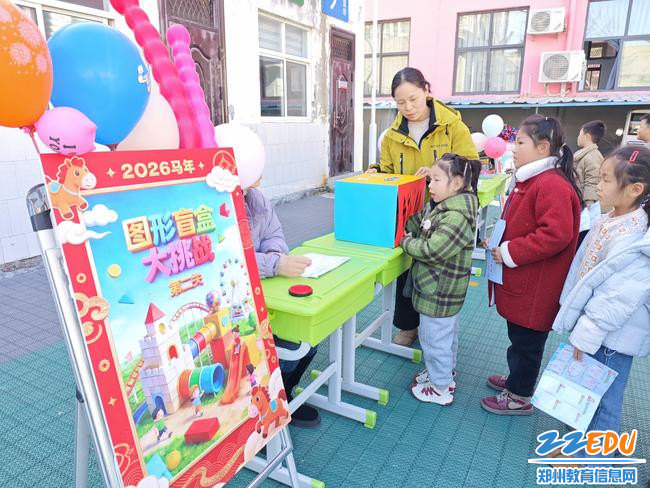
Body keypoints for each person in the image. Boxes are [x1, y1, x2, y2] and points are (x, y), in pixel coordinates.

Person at [368, 67, 479, 347]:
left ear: (426, 91)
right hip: (409, 210)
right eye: (400, 102)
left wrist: (436, 173)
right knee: (406, 268)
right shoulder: (392, 135)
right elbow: (388, 171)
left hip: (443, 209)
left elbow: (472, 166)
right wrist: (375, 173)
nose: (408, 107)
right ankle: (408, 326)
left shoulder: (452, 126)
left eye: (413, 99)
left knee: (435, 268)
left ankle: (436, 327)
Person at [553, 146, 650, 458]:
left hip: (611, 333)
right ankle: (582, 447)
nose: (598, 185)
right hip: (596, 324)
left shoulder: (635, 236)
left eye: (607, 180)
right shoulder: (611, 218)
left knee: (604, 397)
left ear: (635, 189)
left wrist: (587, 331)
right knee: (584, 387)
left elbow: (618, 296)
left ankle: (593, 458)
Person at [482, 115, 582, 416]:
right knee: (520, 338)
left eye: (520, 142)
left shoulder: (550, 184)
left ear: (543, 147)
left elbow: (556, 234)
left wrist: (510, 251)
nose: (513, 148)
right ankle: (517, 380)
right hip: (527, 279)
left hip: (536, 284)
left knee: (527, 343)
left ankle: (520, 395)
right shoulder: (537, 179)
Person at [402, 154, 480, 405]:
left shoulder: (455, 216)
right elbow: (420, 223)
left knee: (434, 340)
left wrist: (405, 242)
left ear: (456, 183)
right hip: (441, 289)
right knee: (445, 338)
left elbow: (432, 250)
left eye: (436, 180)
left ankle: (440, 388)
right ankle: (445, 374)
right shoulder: (443, 206)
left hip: (440, 292)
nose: (430, 185)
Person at [245, 184, 320, 427]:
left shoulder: (255, 197)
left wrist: (275, 257)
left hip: (267, 287)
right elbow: (225, 257)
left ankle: (285, 396)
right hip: (236, 300)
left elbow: (273, 234)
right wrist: (274, 264)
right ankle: (265, 411)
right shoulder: (210, 199)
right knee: (289, 346)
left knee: (308, 338)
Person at [575, 120, 607, 248]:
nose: (578, 137)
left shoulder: (593, 156)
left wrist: (589, 202)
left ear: (587, 136)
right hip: (580, 203)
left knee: (582, 238)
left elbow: (593, 181)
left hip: (586, 207)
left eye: (579, 134)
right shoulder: (584, 154)